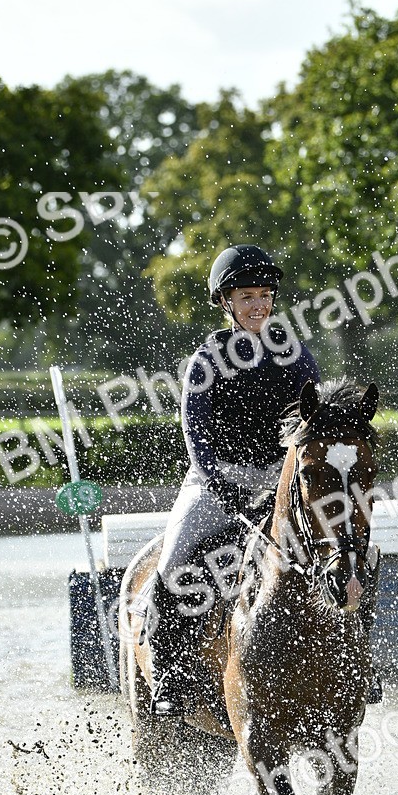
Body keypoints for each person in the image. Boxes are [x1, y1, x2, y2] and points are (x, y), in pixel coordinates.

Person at [146, 243, 321, 717]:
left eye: (264, 295)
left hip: (281, 481)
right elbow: (195, 436)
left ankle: (356, 663)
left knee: (341, 547)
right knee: (173, 562)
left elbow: (313, 419)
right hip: (216, 481)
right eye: (247, 297)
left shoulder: (294, 354)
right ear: (226, 302)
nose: (258, 305)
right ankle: (169, 673)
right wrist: (223, 487)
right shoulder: (207, 359)